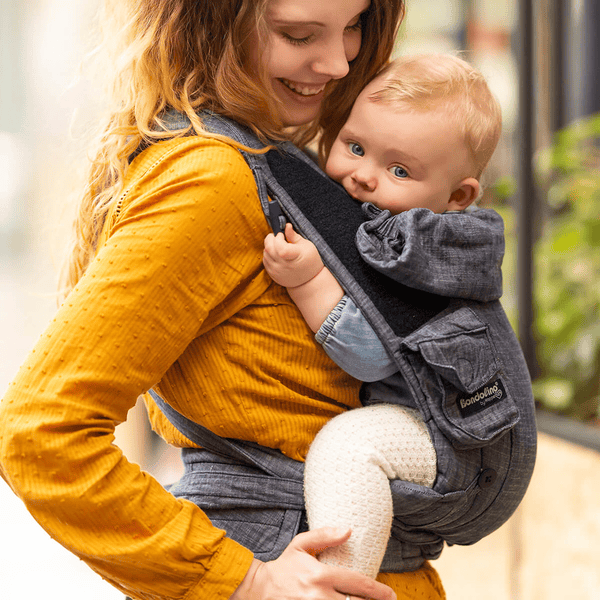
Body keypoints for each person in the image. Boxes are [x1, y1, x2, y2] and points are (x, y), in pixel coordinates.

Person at [0, 2, 450, 600]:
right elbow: (39, 431)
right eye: (298, 34)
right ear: (211, 23)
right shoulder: (213, 179)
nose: (340, 62)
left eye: (355, 25)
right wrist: (250, 582)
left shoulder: (268, 159)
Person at [263, 53, 525, 578]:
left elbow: (374, 354)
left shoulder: (430, 250)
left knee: (349, 448)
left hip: (456, 441)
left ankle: (339, 586)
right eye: (355, 146)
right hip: (432, 426)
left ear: (457, 196)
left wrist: (310, 280)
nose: (362, 176)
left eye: (398, 169)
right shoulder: (376, 210)